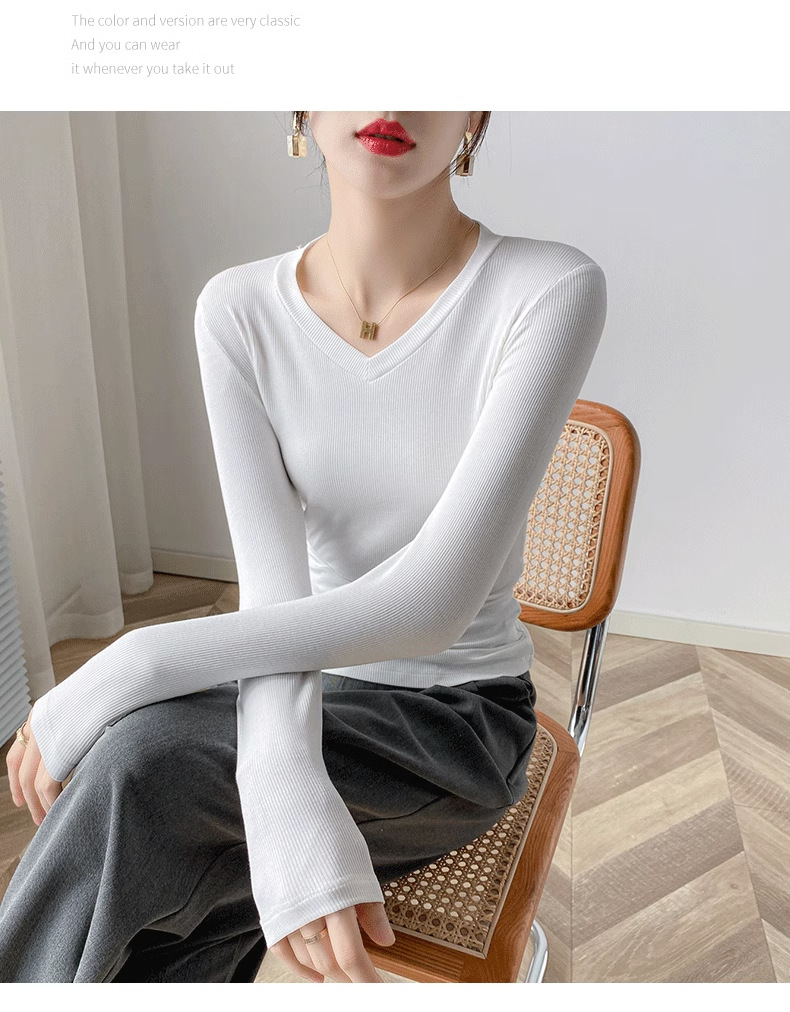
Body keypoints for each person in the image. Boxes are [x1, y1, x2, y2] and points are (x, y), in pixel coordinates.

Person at [1, 111, 607, 983]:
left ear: (476, 111)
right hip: (301, 691)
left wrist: (135, 661)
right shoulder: (238, 309)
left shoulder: (548, 289)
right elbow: (275, 597)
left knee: (137, 768)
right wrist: (282, 781)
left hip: (457, 724)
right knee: (156, 860)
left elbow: (429, 608)